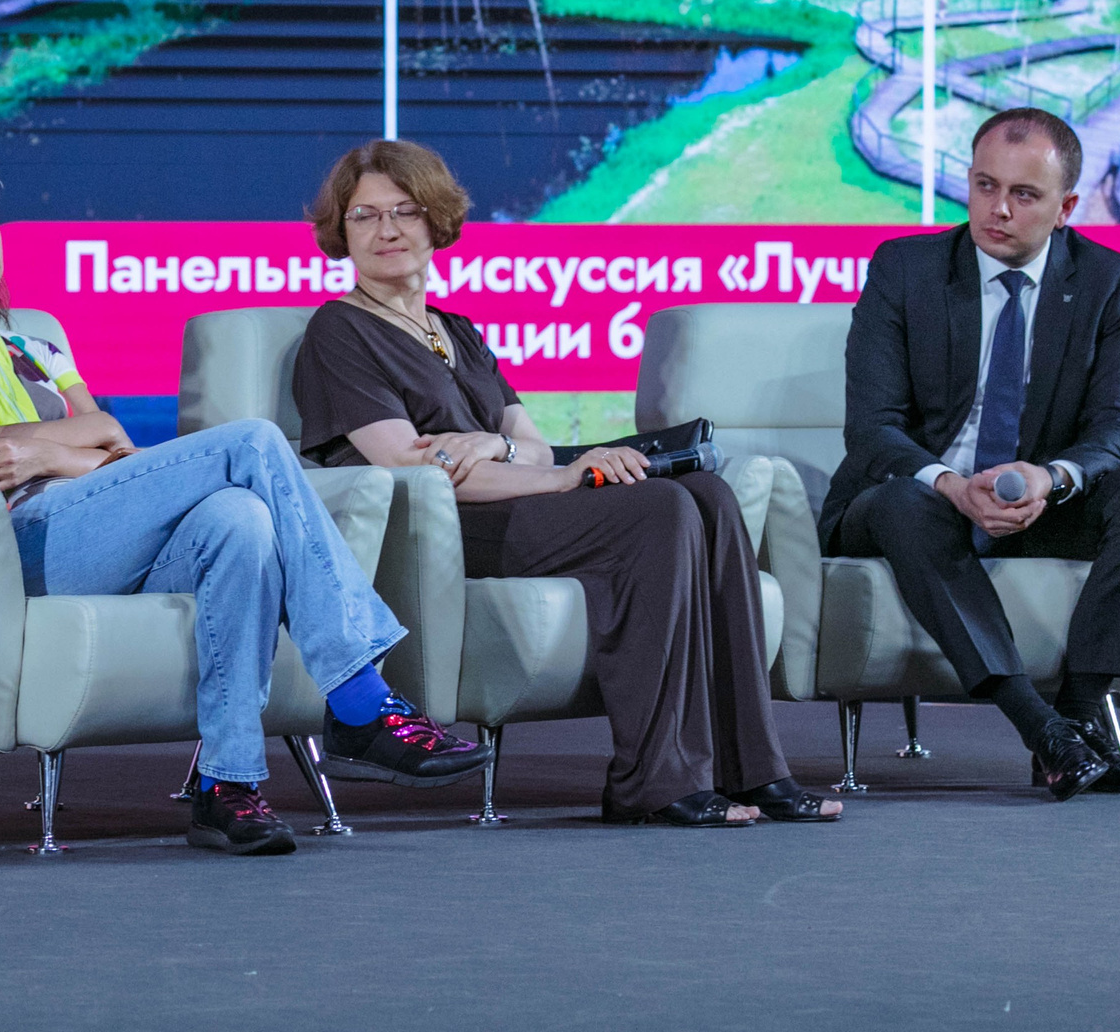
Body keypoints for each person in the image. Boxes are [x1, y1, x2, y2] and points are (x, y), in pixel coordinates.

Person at [0, 143, 486, 856]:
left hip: (90, 526)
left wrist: (48, 450)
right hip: (7, 547)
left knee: (241, 520)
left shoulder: (32, 342)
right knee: (254, 443)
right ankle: (359, 699)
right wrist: (76, 442)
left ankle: (227, 785)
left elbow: (116, 442)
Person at [289, 141, 836, 828]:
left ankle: (756, 769)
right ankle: (653, 780)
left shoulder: (456, 331)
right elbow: (404, 465)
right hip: (447, 529)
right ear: (341, 230)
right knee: (660, 509)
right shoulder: (339, 330)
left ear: (438, 223)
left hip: (515, 501)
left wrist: (500, 443)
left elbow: (532, 440)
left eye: (406, 211)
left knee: (711, 498)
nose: (387, 230)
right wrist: (556, 479)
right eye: (365, 215)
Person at [823, 106, 1120, 801]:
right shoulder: (906, 268)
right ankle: (1039, 728)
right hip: (914, 501)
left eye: (1024, 195)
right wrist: (952, 486)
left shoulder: (1108, 281)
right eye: (985, 186)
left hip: (1031, 499)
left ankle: (1079, 719)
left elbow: (1117, 427)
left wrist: (1049, 478)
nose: (999, 210)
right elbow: (871, 429)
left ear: (1066, 206)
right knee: (908, 498)